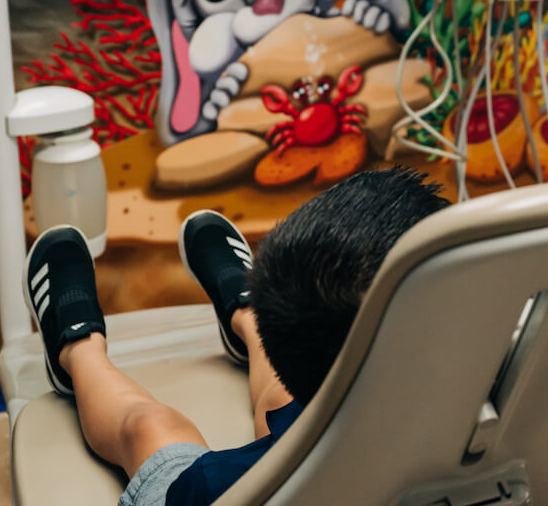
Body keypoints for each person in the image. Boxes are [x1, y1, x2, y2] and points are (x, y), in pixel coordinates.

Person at [23, 167, 448, 506]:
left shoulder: (218, 488)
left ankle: (77, 349)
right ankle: (247, 317)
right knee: (283, 403)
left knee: (149, 427)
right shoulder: (498, 388)